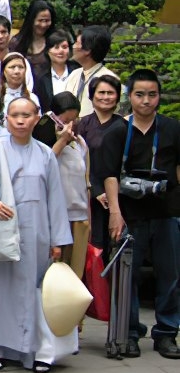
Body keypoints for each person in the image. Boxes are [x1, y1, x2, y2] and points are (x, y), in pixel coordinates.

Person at [0, 96, 72, 372]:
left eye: (26, 115)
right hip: (0, 230)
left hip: (37, 232)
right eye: (14, 115)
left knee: (34, 293)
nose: (19, 121)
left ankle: (37, 351)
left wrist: (58, 240)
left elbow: (55, 198)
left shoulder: (45, 154)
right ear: (5, 119)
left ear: (36, 118)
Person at [98, 69, 180, 359]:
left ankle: (167, 333)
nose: (146, 100)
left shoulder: (172, 128)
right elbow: (109, 175)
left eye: (152, 94)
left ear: (159, 96)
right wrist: (115, 213)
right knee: (128, 277)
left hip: (167, 212)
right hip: (130, 214)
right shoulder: (118, 130)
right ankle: (129, 333)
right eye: (140, 94)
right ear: (129, 96)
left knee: (170, 275)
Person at [77, 74, 125, 252]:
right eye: (101, 92)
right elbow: (77, 161)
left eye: (110, 93)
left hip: (116, 195)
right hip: (88, 193)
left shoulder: (123, 126)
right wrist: (96, 190)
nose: (106, 97)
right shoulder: (82, 124)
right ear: (92, 96)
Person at [45, 91, 91, 279]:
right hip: (55, 216)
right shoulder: (44, 140)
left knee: (75, 274)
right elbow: (44, 164)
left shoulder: (80, 142)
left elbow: (86, 181)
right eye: (65, 121)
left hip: (80, 216)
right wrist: (62, 140)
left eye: (74, 120)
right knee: (54, 274)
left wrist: (89, 217)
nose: (70, 125)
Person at [66, 26, 119, 116]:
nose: (73, 46)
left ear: (87, 50)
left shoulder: (110, 79)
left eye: (77, 43)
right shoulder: (74, 74)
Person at [33, 29, 74, 115]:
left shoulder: (77, 71)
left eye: (64, 47)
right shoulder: (40, 76)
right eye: (56, 47)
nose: (61, 51)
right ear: (48, 51)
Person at [11, 0, 56, 73]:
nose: (43, 25)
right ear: (31, 20)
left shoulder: (55, 41)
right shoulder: (16, 42)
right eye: (40, 20)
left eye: (47, 21)